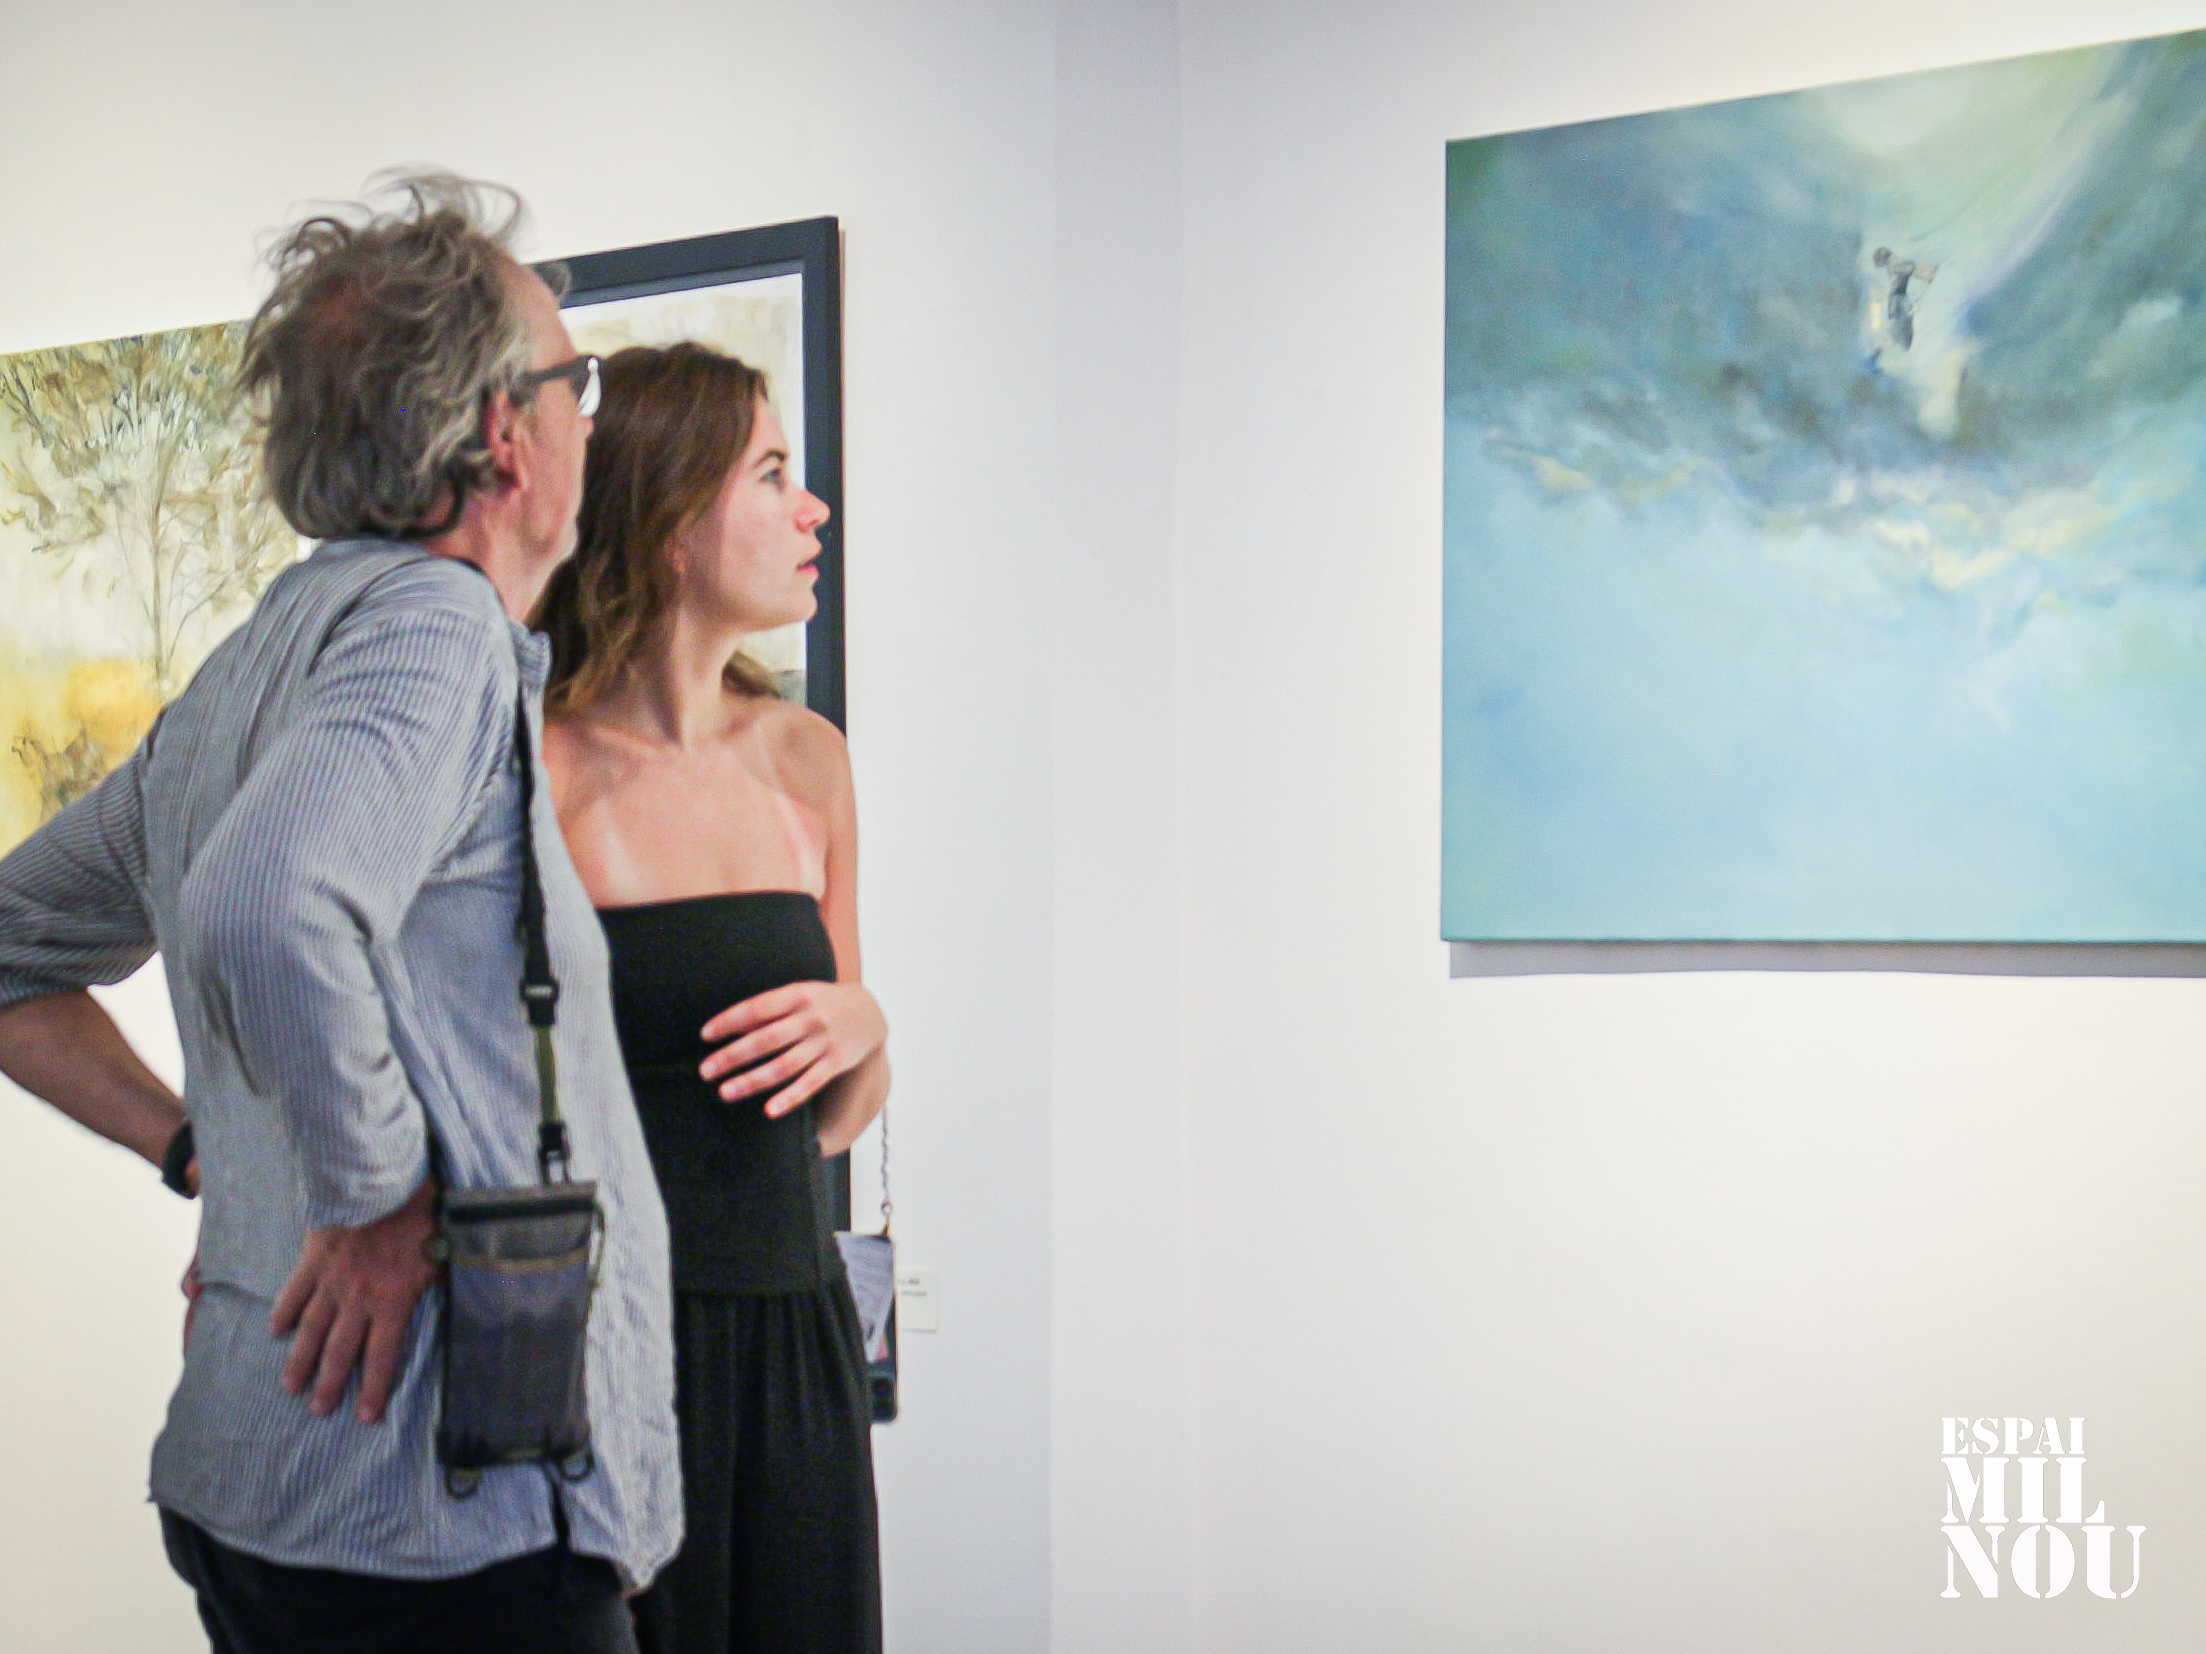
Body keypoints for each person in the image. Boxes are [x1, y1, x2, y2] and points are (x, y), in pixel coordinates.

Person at [0, 174, 680, 1653]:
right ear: (505, 432)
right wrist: (372, 1203)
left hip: (273, 1483)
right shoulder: (436, 626)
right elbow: (267, 903)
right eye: (575, 385)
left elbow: (11, 948)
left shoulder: (255, 663)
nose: (588, 421)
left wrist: (192, 1145)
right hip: (436, 1511)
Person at [533, 341, 888, 1654]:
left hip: (795, 1333)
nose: (813, 510)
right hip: (600, 1343)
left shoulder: (807, 757)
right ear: (672, 514)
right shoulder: (533, 769)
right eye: (774, 474)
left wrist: (867, 1027)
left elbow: (836, 1110)